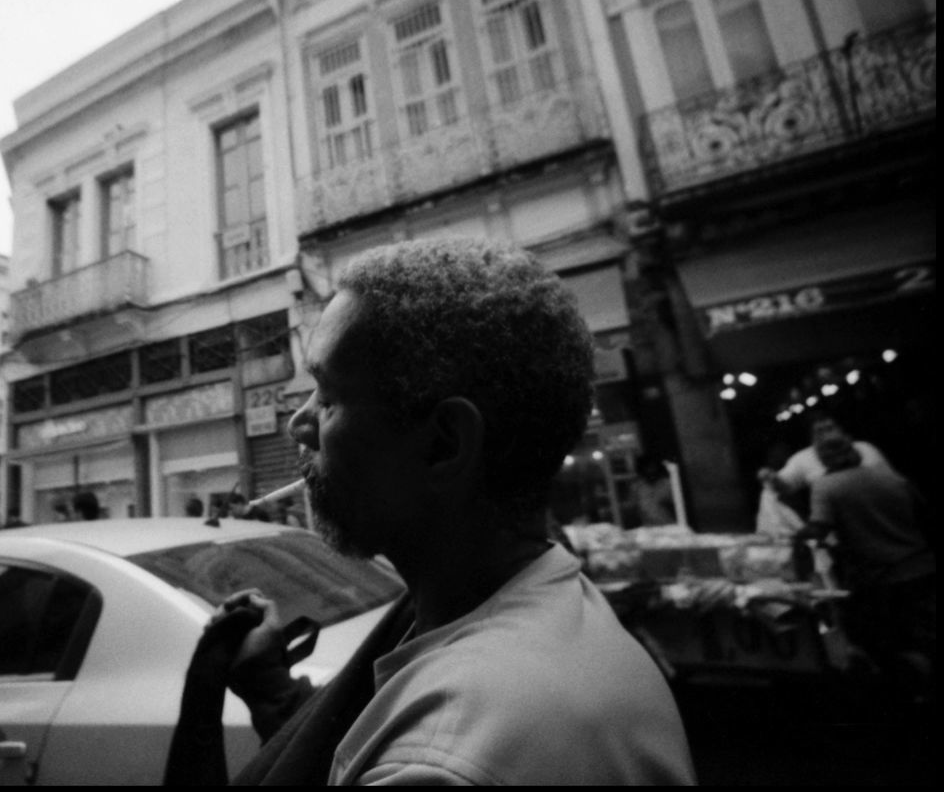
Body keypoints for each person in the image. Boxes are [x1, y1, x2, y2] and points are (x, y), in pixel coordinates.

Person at [177, 239, 694, 784]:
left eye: (327, 398)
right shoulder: (534, 603)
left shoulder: (439, 762)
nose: (298, 425)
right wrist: (271, 689)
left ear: (444, 444)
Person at [801, 432, 935, 698]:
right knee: (927, 636)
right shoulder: (891, 477)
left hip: (879, 579)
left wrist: (793, 537)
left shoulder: (826, 486)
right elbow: (923, 512)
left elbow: (818, 529)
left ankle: (915, 700)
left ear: (822, 458)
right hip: (923, 568)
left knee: (892, 644)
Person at [760, 412, 891, 517]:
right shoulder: (818, 479)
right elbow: (784, 485)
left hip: (879, 512)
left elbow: (890, 482)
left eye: (830, 428)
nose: (827, 435)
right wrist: (772, 478)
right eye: (820, 431)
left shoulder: (866, 449)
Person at [633, 454, 677, 526]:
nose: (650, 470)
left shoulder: (667, 483)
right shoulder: (637, 487)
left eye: (652, 467)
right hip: (650, 528)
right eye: (647, 467)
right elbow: (634, 509)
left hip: (670, 525)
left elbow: (679, 505)